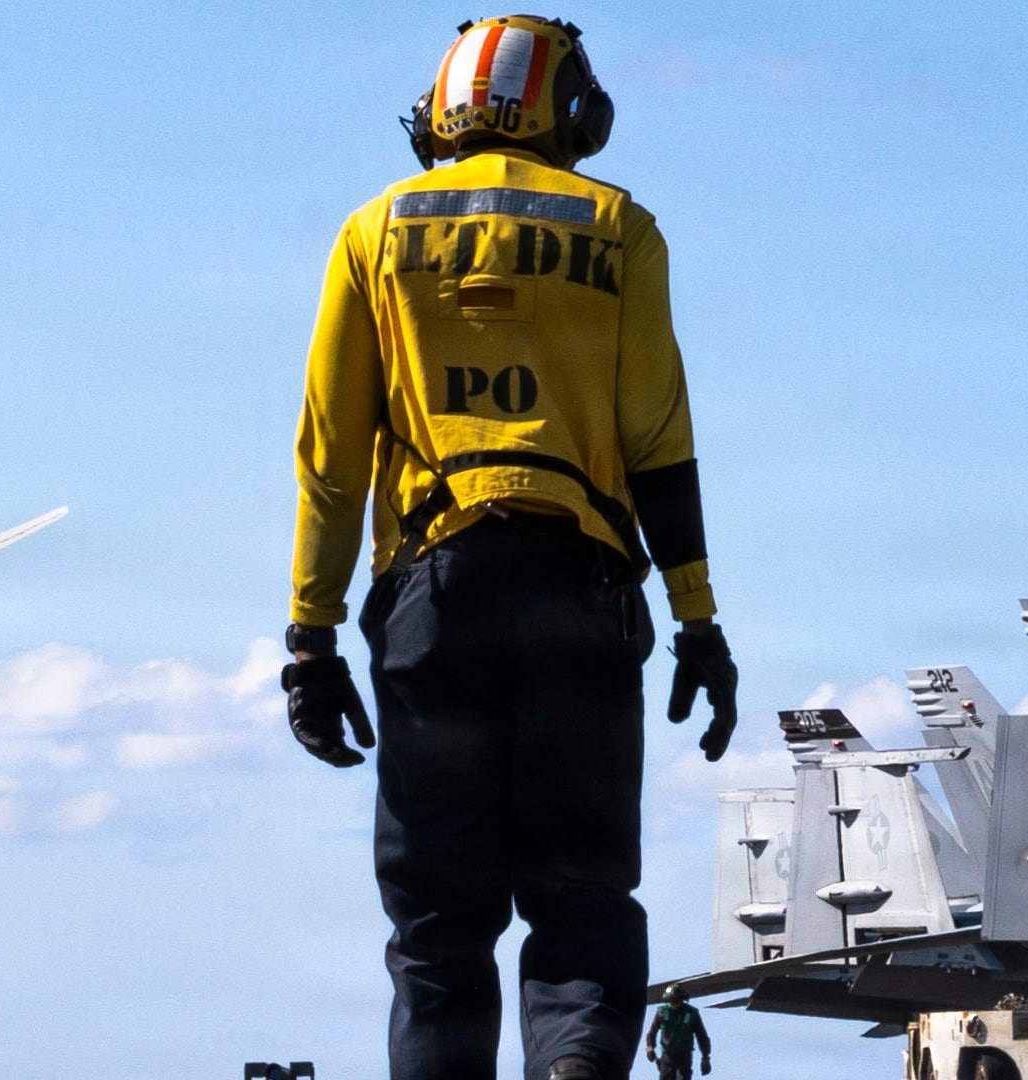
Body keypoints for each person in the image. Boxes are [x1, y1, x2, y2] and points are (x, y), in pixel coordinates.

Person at [279, 15, 739, 1080]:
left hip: (431, 601)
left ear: (440, 111)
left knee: (439, 935)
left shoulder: (372, 232)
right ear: (572, 111)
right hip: (580, 595)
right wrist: (698, 621)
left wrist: (310, 639)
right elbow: (659, 441)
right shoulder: (620, 230)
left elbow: (329, 459)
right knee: (581, 909)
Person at [644, 984, 711, 1078]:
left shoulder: (691, 1014)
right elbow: (652, 1032)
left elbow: (702, 1036)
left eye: (675, 1001)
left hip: (684, 1056)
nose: (673, 1004)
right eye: (671, 1001)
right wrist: (649, 1047)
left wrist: (705, 1057)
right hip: (667, 1055)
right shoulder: (662, 1012)